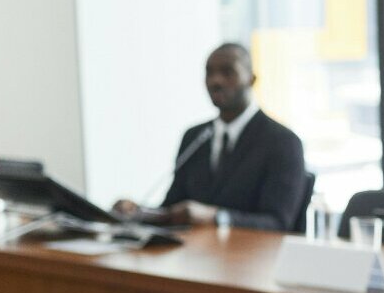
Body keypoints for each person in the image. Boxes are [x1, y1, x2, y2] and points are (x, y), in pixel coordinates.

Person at [113, 43, 308, 231]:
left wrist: (216, 217)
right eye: (209, 72)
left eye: (227, 72)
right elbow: (172, 208)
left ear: (251, 79)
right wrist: (139, 212)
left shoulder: (283, 142)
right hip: (193, 252)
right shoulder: (194, 136)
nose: (216, 81)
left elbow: (278, 222)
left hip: (250, 253)